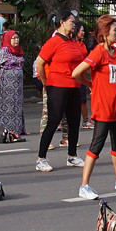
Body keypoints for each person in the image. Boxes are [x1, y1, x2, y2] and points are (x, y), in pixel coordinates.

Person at [71, 14, 116, 199]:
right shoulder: (98, 52)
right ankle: (84, 185)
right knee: (96, 146)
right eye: (115, 30)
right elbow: (76, 73)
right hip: (104, 107)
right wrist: (90, 84)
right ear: (104, 33)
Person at [34, 12, 86, 171]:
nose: (74, 24)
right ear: (62, 23)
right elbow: (40, 63)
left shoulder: (72, 42)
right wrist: (45, 82)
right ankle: (41, 159)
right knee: (53, 120)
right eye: (71, 21)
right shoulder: (53, 42)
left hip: (74, 87)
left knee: (74, 122)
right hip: (57, 87)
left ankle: (72, 156)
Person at [0, 29, 27, 143]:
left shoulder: (19, 51)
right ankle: (5, 128)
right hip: (5, 83)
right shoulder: (4, 51)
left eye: (17, 38)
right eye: (13, 38)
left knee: (17, 104)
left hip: (17, 84)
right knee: (7, 104)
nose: (16, 40)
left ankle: (17, 128)